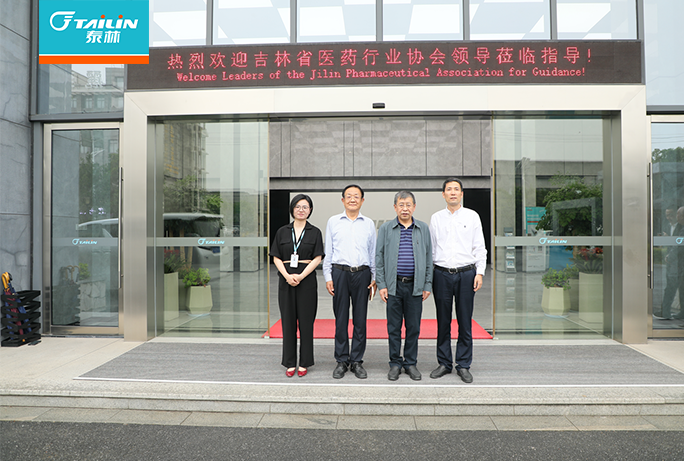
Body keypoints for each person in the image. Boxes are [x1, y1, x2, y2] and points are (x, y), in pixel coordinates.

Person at [429, 178, 487, 383]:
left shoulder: (472, 216)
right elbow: (431, 249)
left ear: (462, 194)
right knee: (443, 321)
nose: (452, 192)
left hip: (466, 274)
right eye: (449, 189)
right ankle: (444, 363)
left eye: (456, 189)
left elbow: (479, 246)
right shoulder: (436, 218)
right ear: (443, 194)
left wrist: (480, 272)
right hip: (441, 274)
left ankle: (463, 364)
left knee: (465, 321)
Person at [376, 191, 432, 381]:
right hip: (393, 286)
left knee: (413, 327)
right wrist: (382, 284)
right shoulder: (386, 228)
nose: (405, 208)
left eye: (408, 205)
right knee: (394, 327)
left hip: (415, 286)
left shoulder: (423, 228)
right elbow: (379, 258)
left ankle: (410, 363)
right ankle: (395, 363)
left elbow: (429, 258)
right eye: (401, 205)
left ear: (414, 207)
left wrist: (427, 284)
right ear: (395, 207)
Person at [323, 185, 377, 379]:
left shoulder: (368, 223)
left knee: (360, 320)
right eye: (349, 196)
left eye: (356, 196)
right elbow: (329, 251)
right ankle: (341, 360)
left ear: (362, 200)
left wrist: (374, 277)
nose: (352, 199)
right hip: (340, 273)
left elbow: (372, 252)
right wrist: (328, 277)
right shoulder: (333, 221)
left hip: (362, 274)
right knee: (341, 319)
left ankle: (357, 361)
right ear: (343, 200)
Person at [270, 194, 324, 378]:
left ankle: (305, 362)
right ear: (292, 209)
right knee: (288, 323)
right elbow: (276, 257)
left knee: (306, 323)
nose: (301, 210)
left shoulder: (315, 232)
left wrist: (300, 276)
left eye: (305, 207)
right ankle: (290, 362)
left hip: (306, 282)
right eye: (298, 206)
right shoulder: (282, 231)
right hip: (286, 282)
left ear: (310, 210)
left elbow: (317, 257)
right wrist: (287, 276)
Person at [660, 206, 680, 320]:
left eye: (671, 215)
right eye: (667, 215)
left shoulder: (681, 227)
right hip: (670, 263)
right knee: (670, 287)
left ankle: (665, 311)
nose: (669, 217)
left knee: (673, 287)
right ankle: (665, 311)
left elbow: (679, 245)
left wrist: (669, 239)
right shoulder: (667, 226)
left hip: (678, 262)